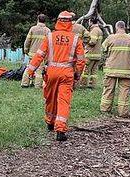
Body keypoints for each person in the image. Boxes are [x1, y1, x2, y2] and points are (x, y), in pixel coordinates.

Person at [26, 11, 86, 141]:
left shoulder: (50, 36)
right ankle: (60, 130)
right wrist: (77, 74)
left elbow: (39, 55)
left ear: (58, 22)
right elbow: (81, 60)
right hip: (67, 73)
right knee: (64, 101)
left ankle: (50, 122)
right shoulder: (76, 39)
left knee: (50, 98)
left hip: (51, 72)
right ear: (70, 23)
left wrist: (30, 71)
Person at [100, 21, 130, 117]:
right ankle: (123, 112)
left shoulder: (111, 38)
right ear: (125, 28)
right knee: (124, 92)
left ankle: (105, 109)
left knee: (108, 89)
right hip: (126, 70)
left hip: (111, 69)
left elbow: (103, 49)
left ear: (116, 27)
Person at [21, 14, 51, 88]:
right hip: (41, 55)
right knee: (39, 71)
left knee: (29, 68)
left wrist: (26, 50)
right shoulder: (47, 30)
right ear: (45, 21)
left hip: (32, 54)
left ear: (38, 19)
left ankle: (25, 83)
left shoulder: (32, 29)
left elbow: (27, 41)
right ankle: (37, 85)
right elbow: (50, 44)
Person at [80, 17, 103, 89]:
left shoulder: (94, 30)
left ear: (91, 22)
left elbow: (93, 42)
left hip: (91, 54)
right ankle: (92, 85)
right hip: (97, 54)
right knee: (94, 72)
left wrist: (85, 42)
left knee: (86, 70)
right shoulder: (99, 30)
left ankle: (83, 85)